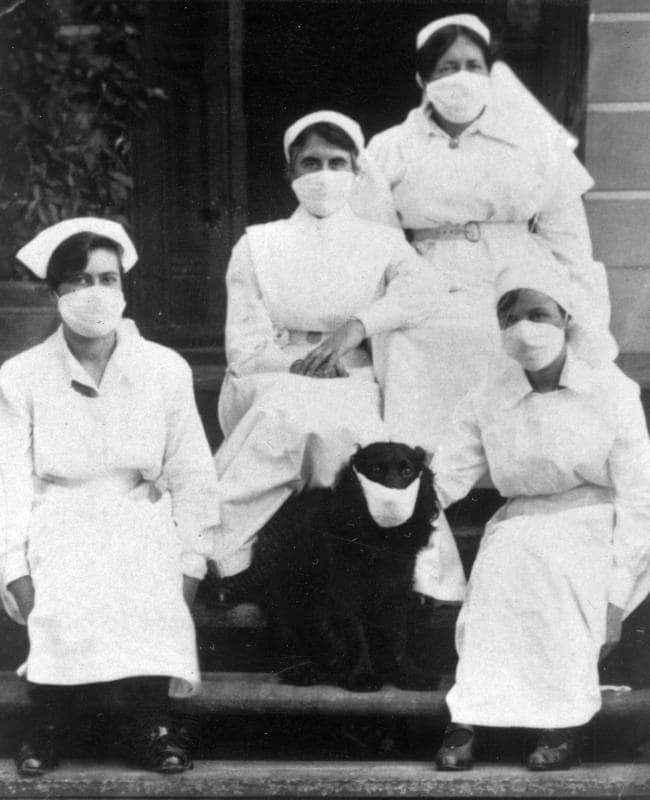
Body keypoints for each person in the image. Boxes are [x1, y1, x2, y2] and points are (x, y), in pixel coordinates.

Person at [212, 110, 466, 603]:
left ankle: (399, 566)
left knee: (362, 430)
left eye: (336, 162)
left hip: (353, 370)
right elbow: (244, 344)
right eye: (310, 163)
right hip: (274, 368)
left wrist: (359, 327)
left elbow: (427, 291)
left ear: (356, 170)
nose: (323, 175)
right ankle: (232, 560)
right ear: (290, 173)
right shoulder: (257, 244)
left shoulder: (382, 242)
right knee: (288, 411)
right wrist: (301, 366)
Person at [0, 218, 220, 775]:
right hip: (59, 513)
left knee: (146, 571)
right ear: (54, 293)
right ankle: (48, 723)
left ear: (124, 288)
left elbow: (192, 471)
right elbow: (8, 477)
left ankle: (154, 722)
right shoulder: (20, 375)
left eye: (107, 278)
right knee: (66, 586)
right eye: (77, 281)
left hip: (138, 510)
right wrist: (12, 570)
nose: (94, 293)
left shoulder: (163, 368)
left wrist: (191, 561)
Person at [431, 245, 650, 771]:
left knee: (559, 574)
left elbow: (640, 496)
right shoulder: (488, 394)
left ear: (565, 318)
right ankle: (468, 718)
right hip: (521, 518)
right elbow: (447, 474)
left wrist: (616, 599)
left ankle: (562, 721)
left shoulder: (611, 391)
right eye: (510, 317)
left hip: (595, 518)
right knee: (500, 571)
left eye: (538, 314)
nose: (524, 328)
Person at [367, 13, 616, 452]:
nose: (461, 77)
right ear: (422, 79)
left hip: (516, 271)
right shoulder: (390, 148)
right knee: (412, 340)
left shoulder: (533, 140)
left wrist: (583, 307)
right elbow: (376, 240)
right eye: (446, 68)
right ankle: (426, 473)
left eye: (472, 65)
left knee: (521, 335)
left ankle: (515, 470)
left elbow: (568, 236)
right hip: (427, 279)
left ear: (491, 73)